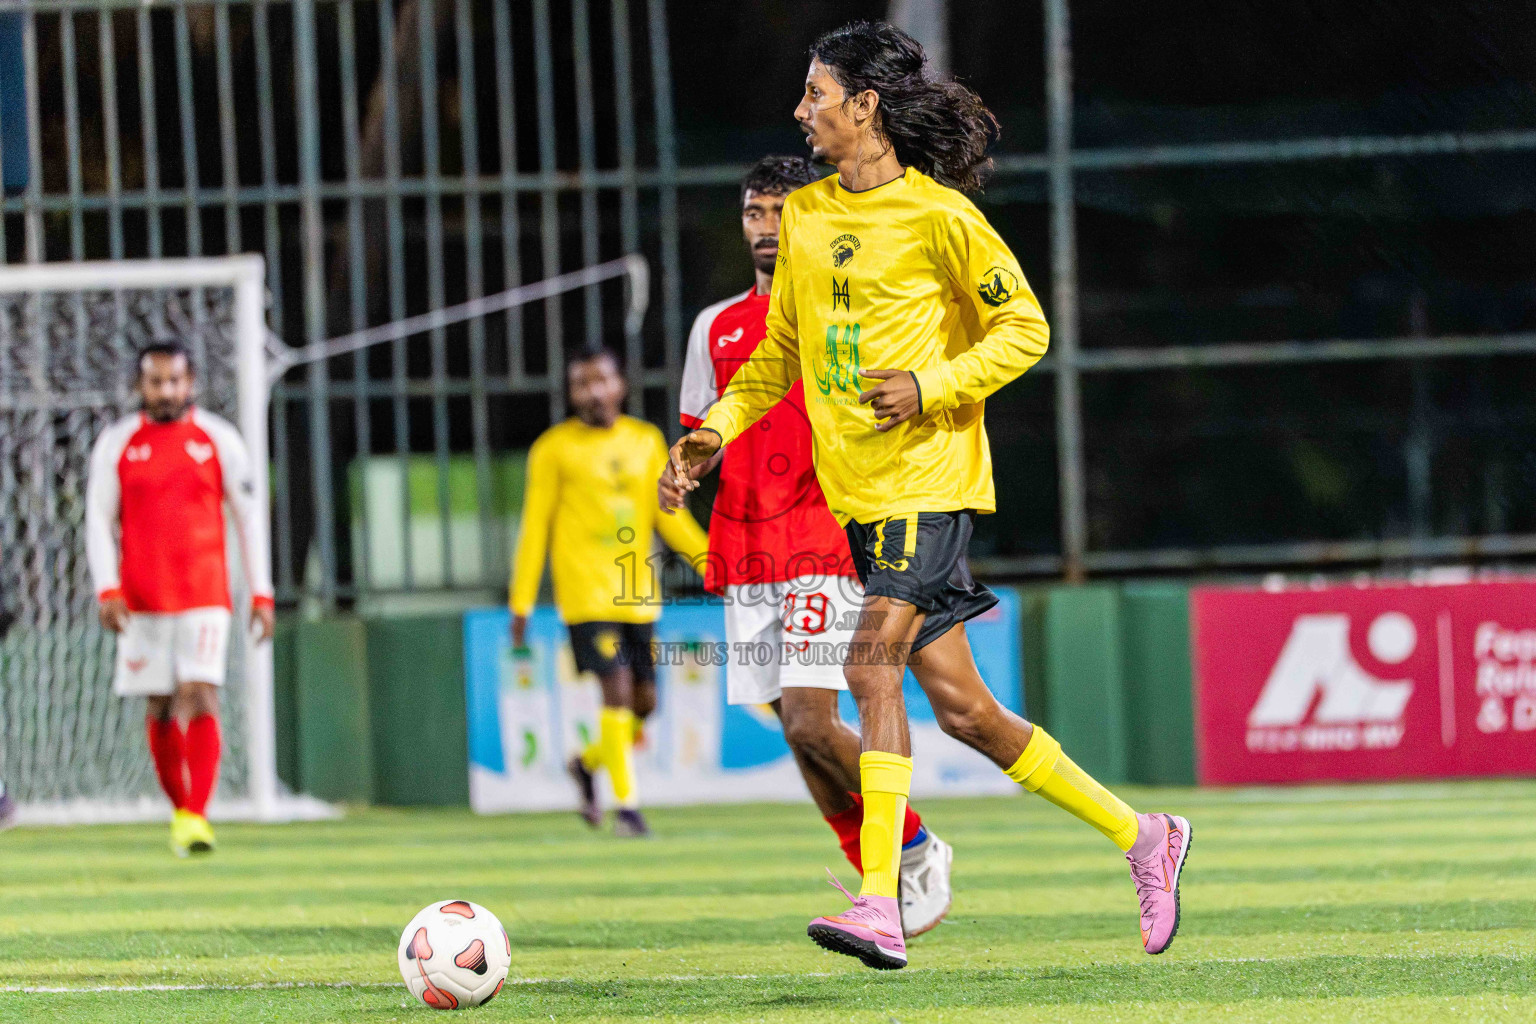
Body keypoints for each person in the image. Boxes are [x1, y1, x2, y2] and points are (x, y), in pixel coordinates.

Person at [668, 21, 1191, 970]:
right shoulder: (815, 215)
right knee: (966, 713)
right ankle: (1144, 834)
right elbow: (779, 355)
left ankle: (880, 903)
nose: (803, 110)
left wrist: (931, 384)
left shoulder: (941, 217)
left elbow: (1024, 328)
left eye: (817, 93)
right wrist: (710, 436)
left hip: (931, 483)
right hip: (861, 499)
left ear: (865, 107)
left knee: (868, 667)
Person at [660, 154, 954, 937]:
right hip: (748, 546)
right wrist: (680, 472)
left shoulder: (842, 315)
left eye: (781, 211)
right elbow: (700, 432)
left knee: (812, 721)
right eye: (754, 212)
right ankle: (880, 872)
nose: (766, 227)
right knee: (796, 728)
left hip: (826, 533)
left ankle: (915, 850)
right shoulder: (714, 326)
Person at [86, 340, 276, 857]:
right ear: (140, 386)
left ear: (190, 383)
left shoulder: (219, 438)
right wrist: (107, 588)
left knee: (200, 690)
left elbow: (249, 518)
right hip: (142, 597)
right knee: (162, 703)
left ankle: (196, 815)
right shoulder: (117, 443)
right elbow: (98, 521)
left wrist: (262, 593)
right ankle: (181, 812)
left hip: (205, 592)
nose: (166, 390)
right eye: (156, 381)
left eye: (175, 380)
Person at [511, 346, 709, 838]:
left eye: (600, 380)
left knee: (645, 704)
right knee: (616, 693)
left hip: (638, 593)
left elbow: (668, 516)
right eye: (581, 382)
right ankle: (628, 807)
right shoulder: (553, 449)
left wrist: (715, 565)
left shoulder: (645, 441)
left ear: (620, 385)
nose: (592, 391)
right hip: (585, 597)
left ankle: (586, 764)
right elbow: (535, 526)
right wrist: (521, 599)